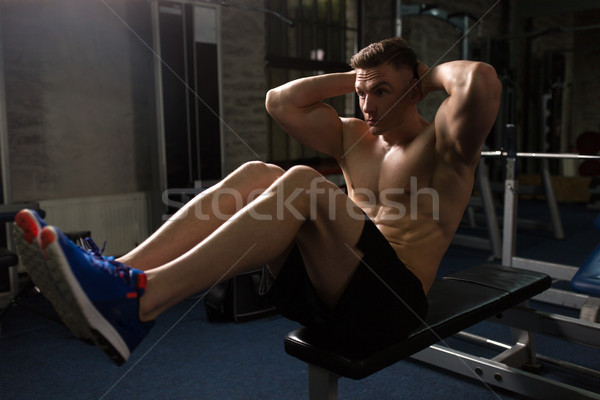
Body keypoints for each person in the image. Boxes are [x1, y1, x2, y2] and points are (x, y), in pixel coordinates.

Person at [14, 37, 501, 365]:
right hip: (325, 291)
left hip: (390, 308)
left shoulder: (446, 144)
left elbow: (479, 80)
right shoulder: (353, 135)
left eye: (382, 91)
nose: (368, 106)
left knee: (302, 181)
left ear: (415, 90)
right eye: (362, 94)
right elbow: (279, 101)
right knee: (257, 174)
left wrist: (425, 72)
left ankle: (145, 302)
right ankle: (121, 274)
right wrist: (357, 77)